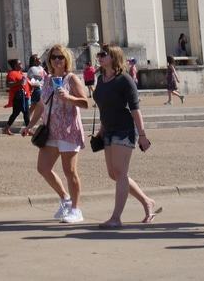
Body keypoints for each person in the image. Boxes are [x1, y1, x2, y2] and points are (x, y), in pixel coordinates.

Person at [92, 44, 159, 228]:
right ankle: (147, 201)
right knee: (113, 173)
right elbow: (103, 106)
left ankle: (116, 218)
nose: (99, 56)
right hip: (108, 130)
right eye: (99, 54)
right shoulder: (101, 78)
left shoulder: (125, 79)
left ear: (114, 57)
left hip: (124, 129)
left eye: (103, 54)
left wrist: (143, 135)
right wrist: (102, 127)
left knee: (120, 172)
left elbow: (135, 109)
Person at [21, 45, 88, 223]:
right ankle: (65, 199)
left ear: (66, 59)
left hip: (68, 129)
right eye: (53, 57)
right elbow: (42, 106)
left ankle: (76, 209)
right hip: (50, 130)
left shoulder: (71, 79)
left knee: (70, 171)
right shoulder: (48, 79)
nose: (57, 60)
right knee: (43, 168)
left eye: (60, 57)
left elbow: (85, 103)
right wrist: (30, 125)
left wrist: (69, 98)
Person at [2, 59, 31, 135]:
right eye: (20, 63)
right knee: (26, 113)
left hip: (23, 96)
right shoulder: (12, 73)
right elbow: (8, 84)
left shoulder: (20, 73)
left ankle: (6, 128)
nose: (21, 64)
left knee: (16, 113)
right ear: (15, 65)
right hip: (19, 96)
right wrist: (19, 82)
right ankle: (28, 129)